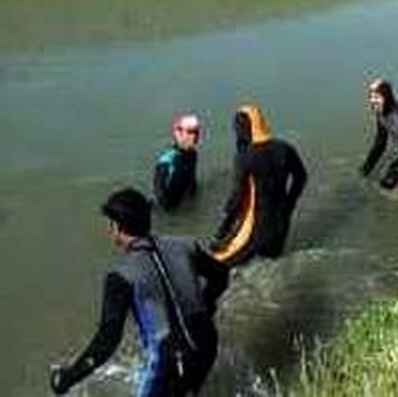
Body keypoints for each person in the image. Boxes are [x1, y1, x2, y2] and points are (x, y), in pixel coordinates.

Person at [50, 188, 228, 396]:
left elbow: (107, 340)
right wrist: (207, 303)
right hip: (206, 343)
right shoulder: (185, 246)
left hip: (169, 362)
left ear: (116, 226)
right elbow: (221, 273)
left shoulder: (121, 277)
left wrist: (68, 377)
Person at [210, 104, 307, 266]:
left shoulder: (245, 157)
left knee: (217, 265)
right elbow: (301, 177)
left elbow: (237, 199)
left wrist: (221, 232)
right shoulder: (285, 148)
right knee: (271, 267)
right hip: (282, 226)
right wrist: (289, 205)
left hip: (256, 230)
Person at [154, 114, 201, 212]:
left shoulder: (192, 154)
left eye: (196, 132)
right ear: (178, 134)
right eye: (189, 132)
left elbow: (192, 183)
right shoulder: (167, 162)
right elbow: (160, 197)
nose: (194, 136)